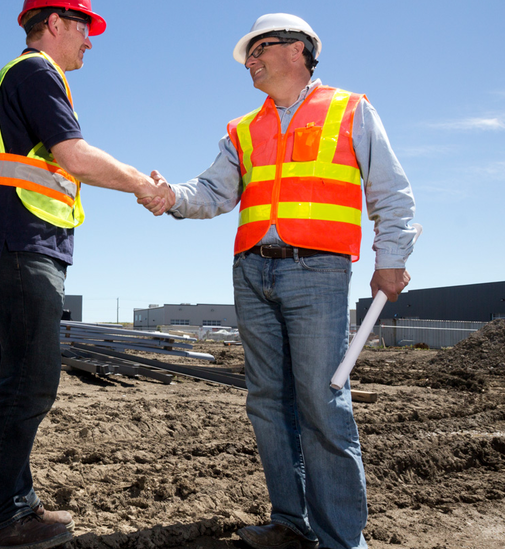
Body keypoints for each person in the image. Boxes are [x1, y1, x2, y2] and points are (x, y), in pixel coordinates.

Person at [141, 13, 417, 549]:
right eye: (249, 52)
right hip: (252, 270)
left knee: (322, 402)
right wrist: (170, 196)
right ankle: (292, 523)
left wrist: (393, 257)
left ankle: (341, 541)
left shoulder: (350, 109)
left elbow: (391, 193)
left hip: (318, 269)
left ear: (298, 50)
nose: (250, 60)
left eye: (259, 48)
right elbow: (214, 192)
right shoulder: (243, 129)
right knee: (267, 401)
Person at [0, 2, 172, 548]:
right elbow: (74, 157)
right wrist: (141, 185)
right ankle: (4, 520)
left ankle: (13, 507)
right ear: (53, 24)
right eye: (84, 28)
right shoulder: (36, 72)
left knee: (20, 378)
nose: (90, 41)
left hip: (18, 240)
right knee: (30, 380)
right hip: (17, 240)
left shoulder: (31, 76)